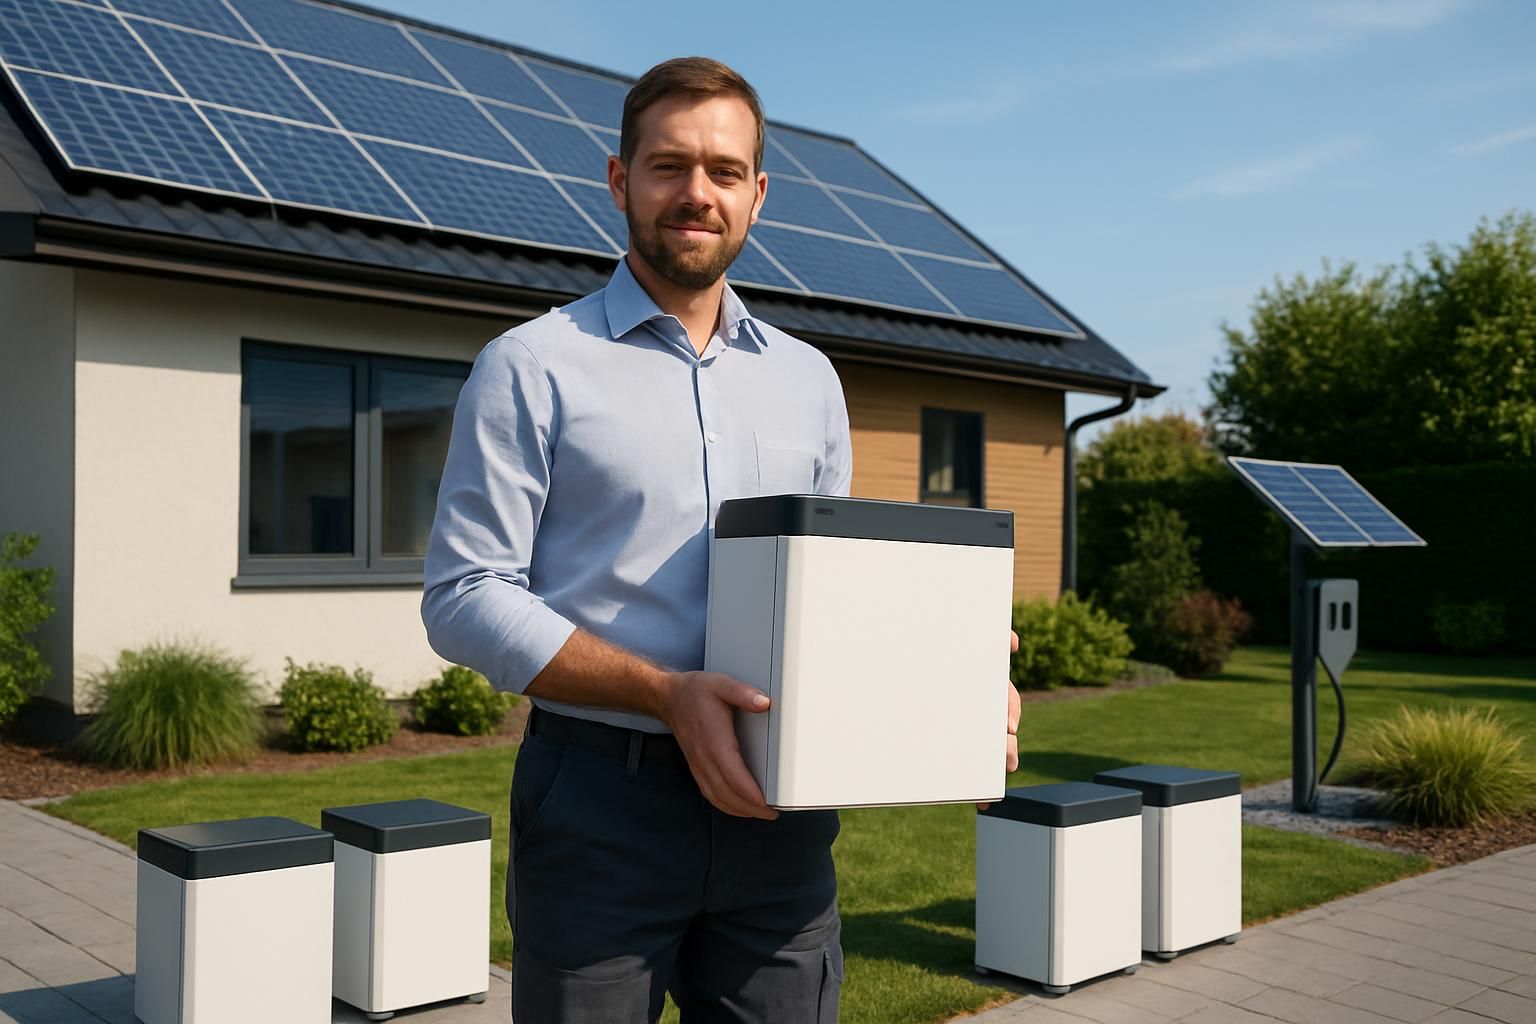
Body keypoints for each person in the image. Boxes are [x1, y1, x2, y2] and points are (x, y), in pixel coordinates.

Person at [422, 56, 1022, 1023]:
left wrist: (948, 680)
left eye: (724, 171)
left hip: (781, 817)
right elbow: (464, 595)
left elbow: (838, 592)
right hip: (599, 810)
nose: (696, 194)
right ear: (620, 180)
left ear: (758, 195)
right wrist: (664, 692)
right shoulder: (532, 367)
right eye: (668, 166)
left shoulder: (810, 382)